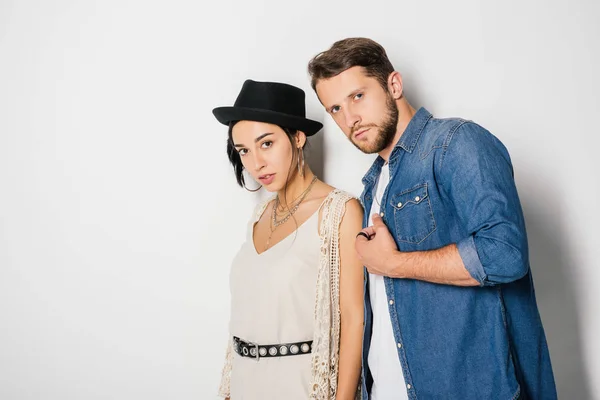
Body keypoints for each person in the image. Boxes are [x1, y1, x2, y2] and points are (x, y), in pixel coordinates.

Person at [307, 37, 557, 399]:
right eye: (334, 109)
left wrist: (394, 263)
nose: (350, 119)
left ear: (394, 84)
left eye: (357, 96)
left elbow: (505, 253)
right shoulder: (375, 183)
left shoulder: (455, 143)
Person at [213, 79, 364, 399]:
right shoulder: (258, 216)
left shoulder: (340, 211)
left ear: (297, 137)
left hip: (296, 385)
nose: (256, 163)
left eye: (266, 143)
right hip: (243, 385)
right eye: (244, 151)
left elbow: (354, 320)